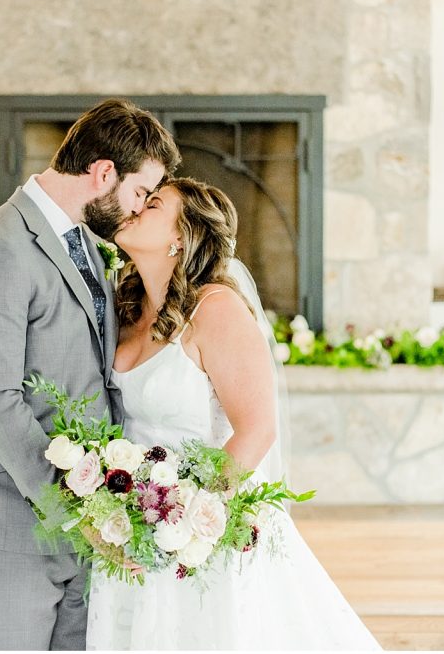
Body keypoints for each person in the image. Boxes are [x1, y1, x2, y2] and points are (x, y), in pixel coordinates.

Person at [0, 98, 181, 650]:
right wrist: (73, 511)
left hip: (82, 525)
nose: (136, 211)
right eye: (137, 193)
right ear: (103, 173)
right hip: (5, 523)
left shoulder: (86, 244)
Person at [85, 176, 383, 650]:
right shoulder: (127, 307)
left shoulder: (217, 310)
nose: (136, 206)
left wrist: (182, 521)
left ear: (180, 237)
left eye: (154, 203)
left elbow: (257, 430)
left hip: (201, 534)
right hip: (136, 520)